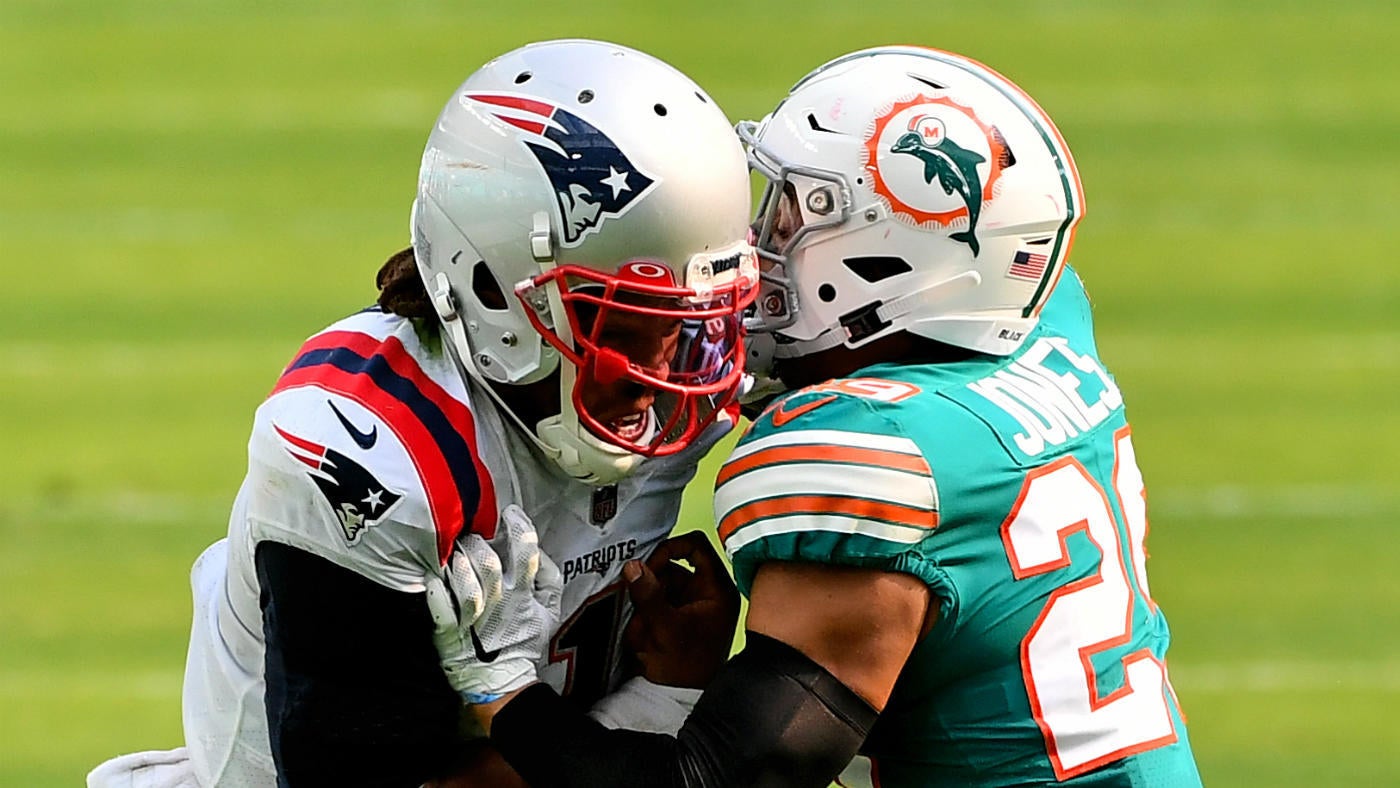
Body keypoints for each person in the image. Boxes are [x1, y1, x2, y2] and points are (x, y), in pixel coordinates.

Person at [458, 45, 1205, 787]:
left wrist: (506, 690)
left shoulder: (870, 454)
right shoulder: (1043, 330)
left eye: (793, 215)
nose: (757, 245)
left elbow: (710, 784)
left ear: (887, 259)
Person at [86, 38, 758, 788]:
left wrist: (643, 702)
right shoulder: (376, 449)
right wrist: (629, 705)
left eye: (684, 321)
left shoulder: (698, 374)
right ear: (495, 291)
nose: (662, 374)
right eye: (618, 329)